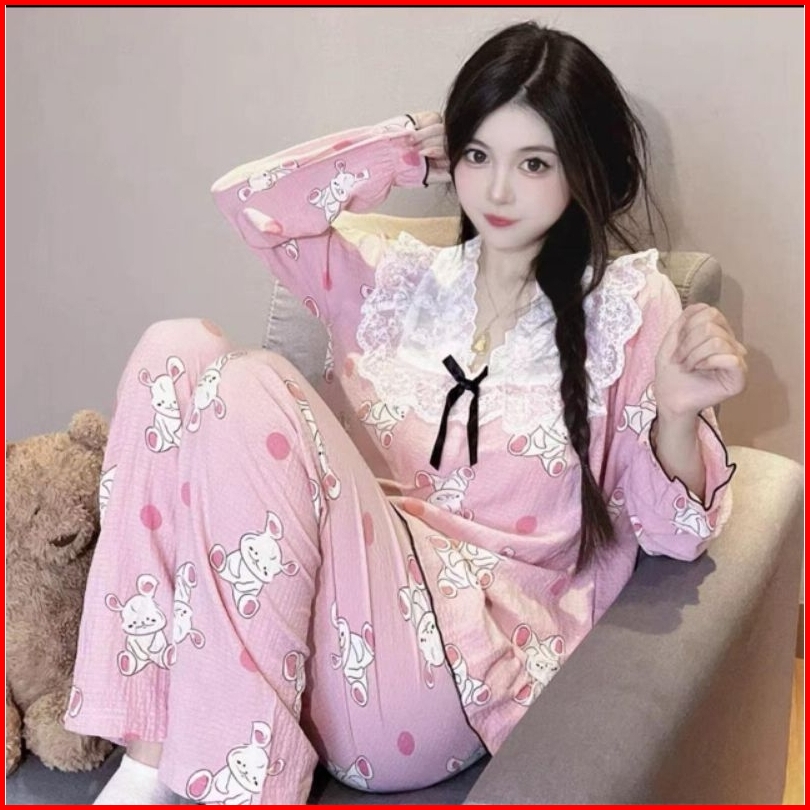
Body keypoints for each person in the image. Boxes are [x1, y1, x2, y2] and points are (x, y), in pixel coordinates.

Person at [65, 21, 746, 805]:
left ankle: (238, 790)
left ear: (582, 167)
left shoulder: (629, 304)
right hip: (322, 641)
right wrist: (394, 149)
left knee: (248, 383)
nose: (497, 190)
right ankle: (148, 760)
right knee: (175, 346)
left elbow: (674, 536)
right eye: (478, 155)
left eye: (534, 163)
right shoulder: (391, 281)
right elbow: (249, 204)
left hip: (440, 681)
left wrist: (677, 414)